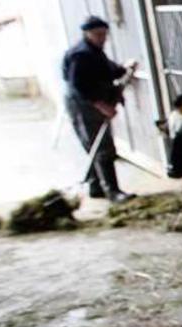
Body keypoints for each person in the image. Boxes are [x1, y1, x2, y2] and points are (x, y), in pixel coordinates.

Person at [62, 15, 137, 202]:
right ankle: (113, 191)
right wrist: (102, 106)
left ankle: (96, 187)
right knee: (102, 146)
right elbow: (79, 86)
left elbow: (108, 70)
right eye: (98, 34)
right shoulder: (81, 55)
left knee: (96, 145)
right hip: (83, 105)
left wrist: (124, 69)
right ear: (87, 34)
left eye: (104, 34)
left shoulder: (96, 51)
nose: (102, 38)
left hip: (93, 101)